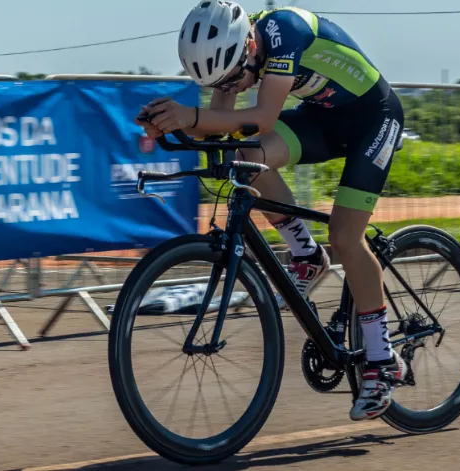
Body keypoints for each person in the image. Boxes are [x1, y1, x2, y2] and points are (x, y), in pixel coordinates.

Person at [135, 0, 407, 421]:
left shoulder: (285, 31)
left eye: (232, 76)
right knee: (245, 156)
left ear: (248, 43)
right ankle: (304, 253)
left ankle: (382, 359)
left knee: (346, 238)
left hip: (375, 119)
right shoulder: (236, 56)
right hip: (324, 119)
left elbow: (263, 116)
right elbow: (219, 125)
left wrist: (190, 115)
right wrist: (173, 124)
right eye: (220, 81)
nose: (230, 85)